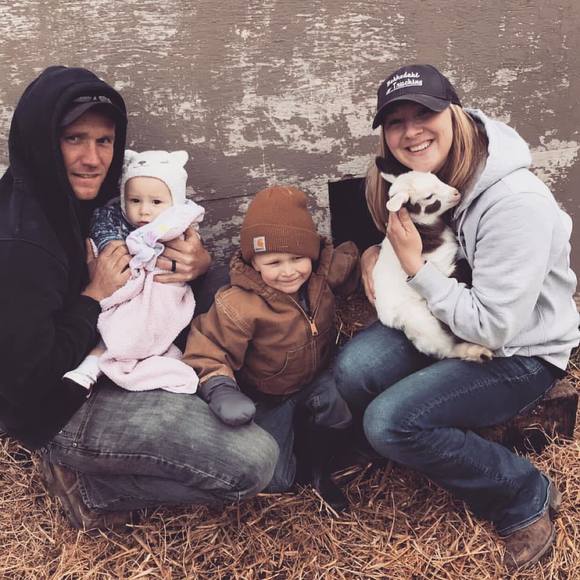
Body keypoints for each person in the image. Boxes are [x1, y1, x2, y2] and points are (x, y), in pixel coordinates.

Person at [0, 66, 278, 531]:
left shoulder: (90, 197)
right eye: (74, 139)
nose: (93, 158)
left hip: (113, 343)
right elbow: (25, 379)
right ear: (42, 140)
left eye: (104, 141)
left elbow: (149, 255)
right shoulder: (22, 245)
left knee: (223, 294)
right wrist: (92, 297)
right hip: (60, 403)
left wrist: (196, 263)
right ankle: (92, 489)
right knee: (255, 462)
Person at [333, 64, 579, 571]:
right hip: (446, 316)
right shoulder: (434, 175)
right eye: (396, 121)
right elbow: (410, 240)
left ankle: (523, 494)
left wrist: (415, 268)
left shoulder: (515, 203)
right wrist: (374, 254)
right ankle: (413, 440)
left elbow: (493, 326)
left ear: (455, 113)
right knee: (353, 369)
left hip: (518, 350)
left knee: (389, 422)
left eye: (423, 114)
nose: (411, 132)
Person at [183, 185, 359, 510]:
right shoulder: (239, 305)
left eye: (297, 258)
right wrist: (221, 388)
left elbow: (349, 260)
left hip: (316, 377)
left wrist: (372, 263)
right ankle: (296, 455)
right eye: (274, 261)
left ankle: (322, 468)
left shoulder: (319, 277)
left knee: (336, 409)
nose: (289, 271)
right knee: (276, 479)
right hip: (267, 396)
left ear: (312, 255)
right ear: (255, 263)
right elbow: (208, 347)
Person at [64, 148, 205, 394]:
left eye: (156, 202)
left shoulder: (179, 222)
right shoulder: (112, 219)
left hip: (161, 288)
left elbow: (185, 254)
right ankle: (96, 364)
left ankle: (104, 361)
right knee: (120, 319)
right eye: (135, 201)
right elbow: (105, 244)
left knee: (145, 319)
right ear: (123, 199)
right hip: (122, 284)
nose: (144, 211)